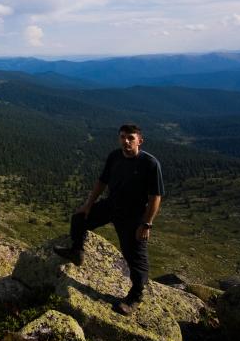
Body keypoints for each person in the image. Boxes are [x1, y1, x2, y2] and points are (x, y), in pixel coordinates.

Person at [53, 124, 164, 316]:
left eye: (130, 137)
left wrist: (146, 223)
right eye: (122, 137)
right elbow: (102, 181)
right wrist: (88, 204)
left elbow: (156, 197)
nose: (126, 141)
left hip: (133, 215)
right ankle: (76, 251)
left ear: (140, 141)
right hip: (111, 205)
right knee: (79, 218)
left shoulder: (150, 164)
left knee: (135, 257)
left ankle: (135, 297)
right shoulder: (115, 156)